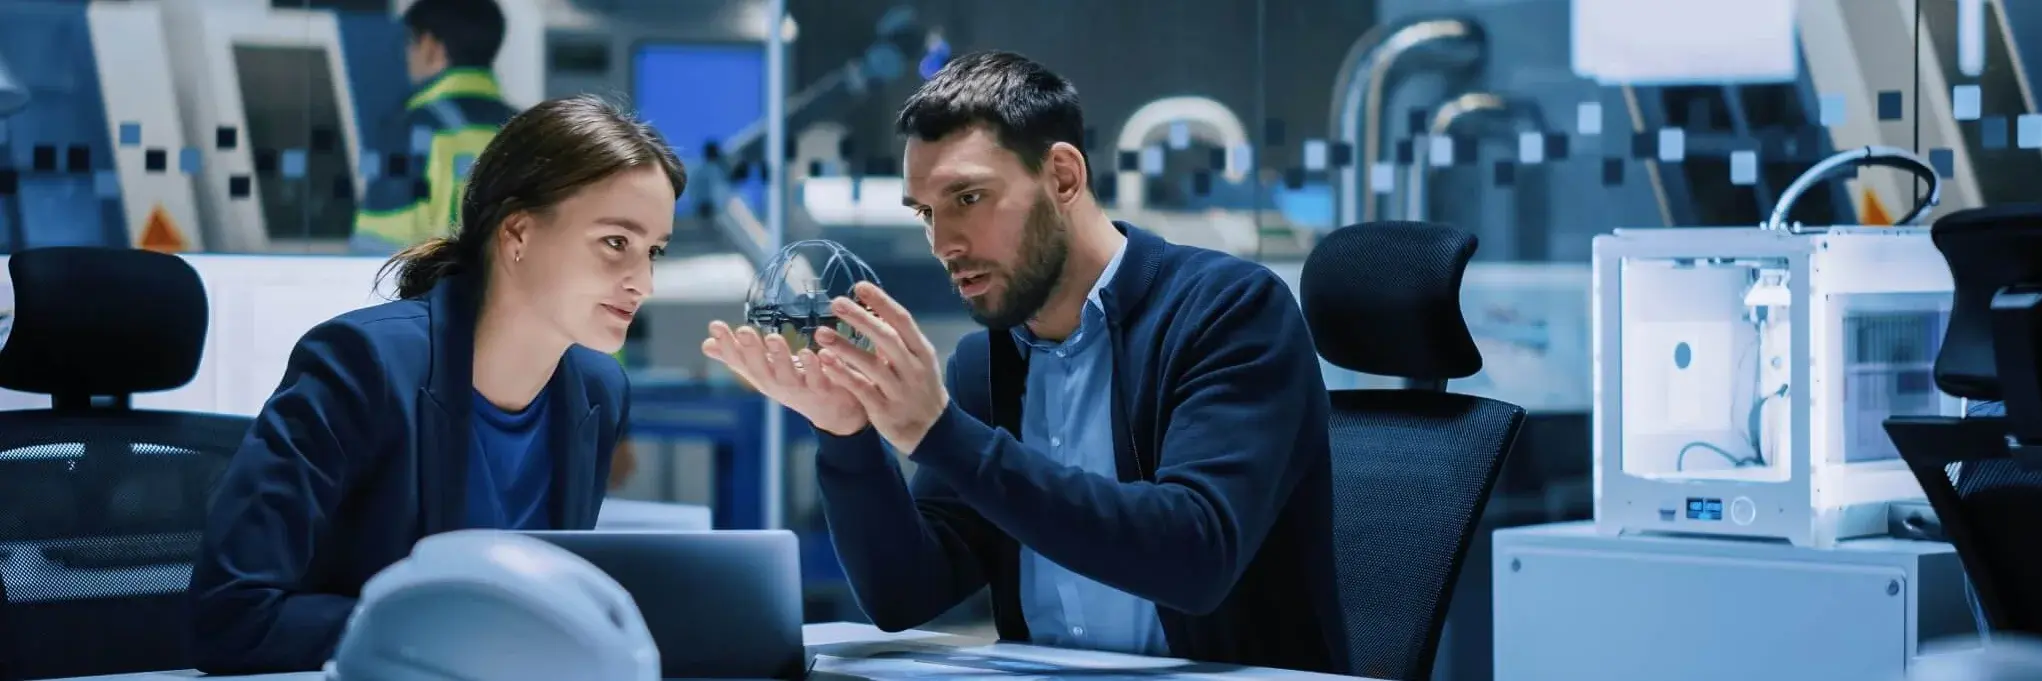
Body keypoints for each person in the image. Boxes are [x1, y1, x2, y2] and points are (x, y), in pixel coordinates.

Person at [701, 51, 1345, 673]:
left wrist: (943, 434)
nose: (943, 243)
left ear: (1063, 176)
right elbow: (904, 593)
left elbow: (1195, 557)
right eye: (926, 211)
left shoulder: (1229, 311)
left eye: (969, 198)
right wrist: (846, 436)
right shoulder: (987, 362)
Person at [189, 95, 685, 675]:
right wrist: (462, 635)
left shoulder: (598, 390)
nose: (643, 282)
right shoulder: (362, 364)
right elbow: (234, 615)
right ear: (518, 233)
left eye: (653, 252)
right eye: (616, 244)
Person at [350, 0, 518, 255]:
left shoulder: (409, 129)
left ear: (429, 46)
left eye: (410, 43)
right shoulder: (528, 130)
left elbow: (376, 246)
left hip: (435, 291)